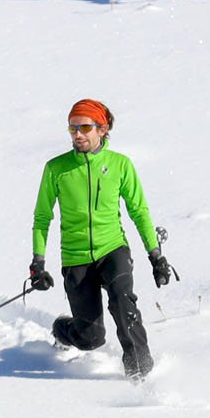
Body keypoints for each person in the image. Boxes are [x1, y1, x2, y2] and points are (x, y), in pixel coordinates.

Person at [28, 99, 176, 381]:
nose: (77, 134)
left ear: (102, 129)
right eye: (72, 128)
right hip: (76, 257)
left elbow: (139, 211)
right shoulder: (56, 169)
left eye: (84, 127)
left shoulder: (120, 165)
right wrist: (38, 263)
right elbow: (42, 217)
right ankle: (63, 330)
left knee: (124, 303)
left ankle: (139, 373)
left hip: (113, 249)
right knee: (91, 338)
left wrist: (156, 256)